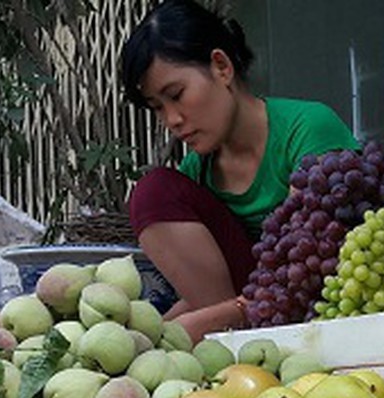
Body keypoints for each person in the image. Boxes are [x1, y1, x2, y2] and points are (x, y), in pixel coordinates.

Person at [120, 0, 358, 340]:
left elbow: (305, 271)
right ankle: (235, 342)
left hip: (320, 306)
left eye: (177, 95)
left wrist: (191, 328)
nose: (172, 120)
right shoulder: (194, 175)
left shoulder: (306, 129)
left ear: (221, 67)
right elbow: (212, 300)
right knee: (153, 193)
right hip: (252, 315)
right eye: (158, 108)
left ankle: (235, 335)